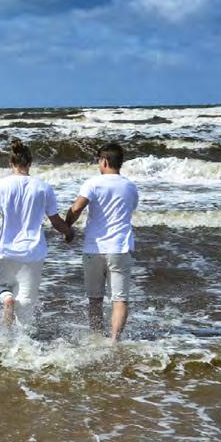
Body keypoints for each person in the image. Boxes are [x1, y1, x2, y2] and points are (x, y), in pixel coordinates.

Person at [0, 140, 73, 327]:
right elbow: (55, 221)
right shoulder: (43, 187)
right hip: (33, 251)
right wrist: (69, 232)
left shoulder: (0, 186)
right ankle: (21, 346)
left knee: (3, 288)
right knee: (27, 301)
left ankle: (7, 301)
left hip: (7, 250)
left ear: (10, 163)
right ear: (30, 163)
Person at [65, 143, 139, 344]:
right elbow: (129, 211)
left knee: (95, 299)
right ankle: (114, 341)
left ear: (104, 161)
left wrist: (66, 228)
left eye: (99, 161)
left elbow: (76, 209)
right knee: (120, 299)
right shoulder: (130, 186)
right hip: (120, 247)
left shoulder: (93, 183)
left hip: (94, 248)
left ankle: (97, 337)